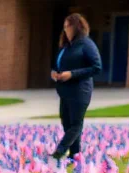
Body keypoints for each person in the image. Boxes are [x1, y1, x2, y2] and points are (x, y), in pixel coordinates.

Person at [51, 13, 101, 161]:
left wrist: (72, 74)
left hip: (80, 90)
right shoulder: (66, 47)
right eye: (64, 27)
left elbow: (96, 67)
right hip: (65, 91)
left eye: (69, 26)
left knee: (75, 124)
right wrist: (55, 72)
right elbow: (59, 65)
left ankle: (59, 151)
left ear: (77, 27)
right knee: (66, 121)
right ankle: (75, 155)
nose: (66, 30)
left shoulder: (86, 44)